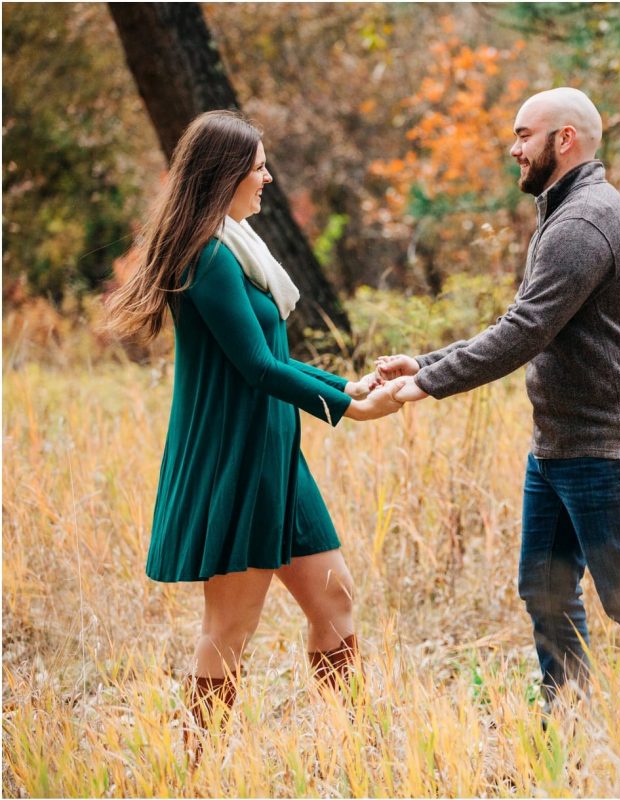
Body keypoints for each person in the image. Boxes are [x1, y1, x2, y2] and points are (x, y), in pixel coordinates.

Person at [377, 87, 620, 706]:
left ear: (565, 139)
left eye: (524, 135)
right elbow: (523, 318)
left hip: (614, 447)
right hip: (563, 446)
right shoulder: (566, 212)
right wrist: (425, 361)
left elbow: (523, 333)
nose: (513, 148)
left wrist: (424, 385)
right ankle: (569, 721)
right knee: (544, 589)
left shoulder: (585, 220)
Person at [106, 110, 400, 756]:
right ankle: (194, 771)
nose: (267, 177)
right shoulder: (208, 256)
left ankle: (351, 753)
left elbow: (274, 354)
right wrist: (350, 413)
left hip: (276, 456)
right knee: (229, 629)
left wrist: (346, 386)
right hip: (235, 461)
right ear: (226, 175)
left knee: (335, 603)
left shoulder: (238, 245)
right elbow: (257, 369)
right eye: (259, 166)